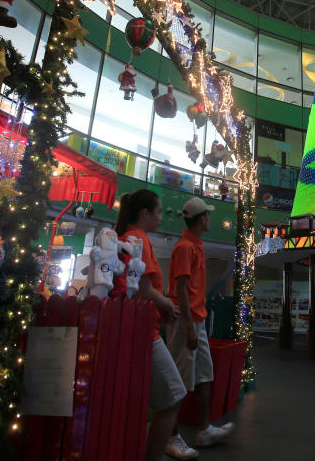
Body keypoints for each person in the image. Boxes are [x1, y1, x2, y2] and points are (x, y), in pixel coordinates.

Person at [115, 189, 184, 461]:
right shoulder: (138, 238)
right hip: (143, 331)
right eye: (158, 212)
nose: (160, 217)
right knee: (173, 395)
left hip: (134, 328)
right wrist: (167, 305)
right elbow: (143, 288)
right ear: (145, 213)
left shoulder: (128, 237)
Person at [164, 198, 233, 459]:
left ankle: (204, 431)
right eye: (207, 215)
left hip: (197, 319)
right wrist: (189, 327)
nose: (210, 219)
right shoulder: (184, 247)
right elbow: (180, 288)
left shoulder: (195, 245)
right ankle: (171, 437)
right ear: (200, 218)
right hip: (186, 321)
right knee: (179, 379)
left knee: (204, 374)